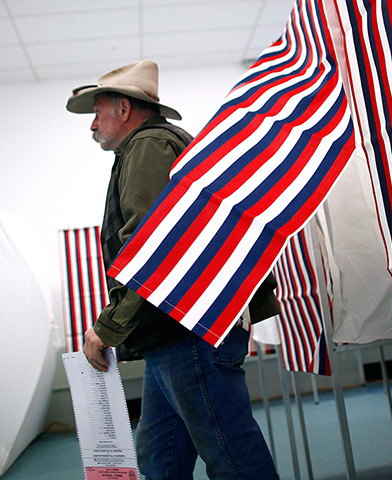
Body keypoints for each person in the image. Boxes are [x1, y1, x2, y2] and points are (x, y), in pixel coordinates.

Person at [67, 60, 280, 480]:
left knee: (228, 451)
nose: (92, 124)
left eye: (98, 111)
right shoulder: (157, 144)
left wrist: (108, 328)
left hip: (184, 328)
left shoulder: (149, 146)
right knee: (160, 455)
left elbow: (151, 247)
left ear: (123, 110)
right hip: (177, 329)